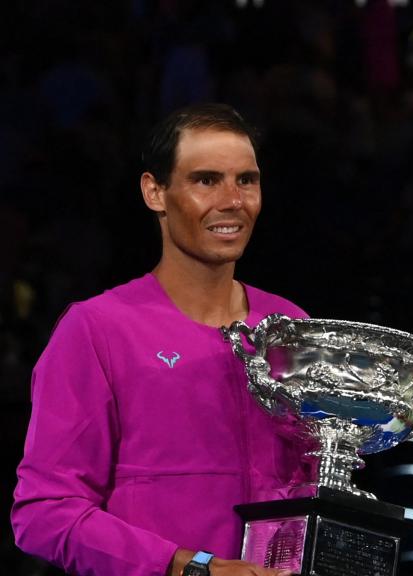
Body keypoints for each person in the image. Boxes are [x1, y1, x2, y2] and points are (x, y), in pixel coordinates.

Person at [11, 103, 312, 576]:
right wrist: (189, 568)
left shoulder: (292, 327)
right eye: (206, 180)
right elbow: (44, 513)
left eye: (246, 180)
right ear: (155, 192)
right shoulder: (97, 329)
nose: (233, 200)